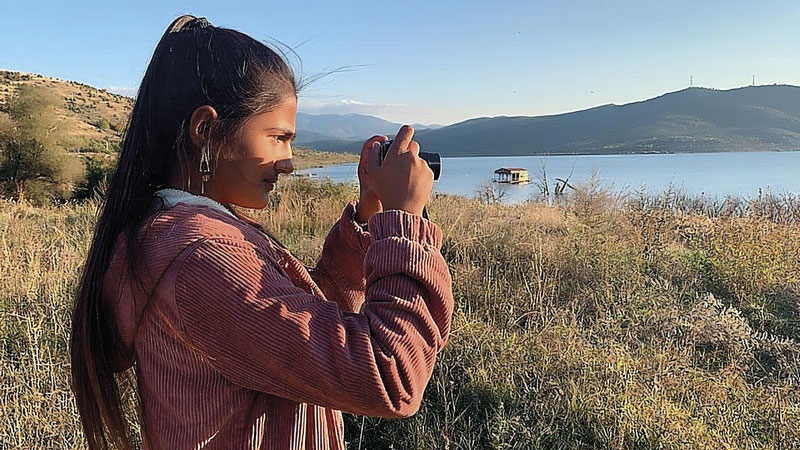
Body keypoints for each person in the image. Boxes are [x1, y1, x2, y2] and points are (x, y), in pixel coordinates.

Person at [69, 15, 454, 450]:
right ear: (207, 130)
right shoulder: (203, 259)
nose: (288, 161)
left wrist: (368, 215)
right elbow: (390, 375)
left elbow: (312, 326)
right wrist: (406, 222)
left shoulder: (169, 234)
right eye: (277, 138)